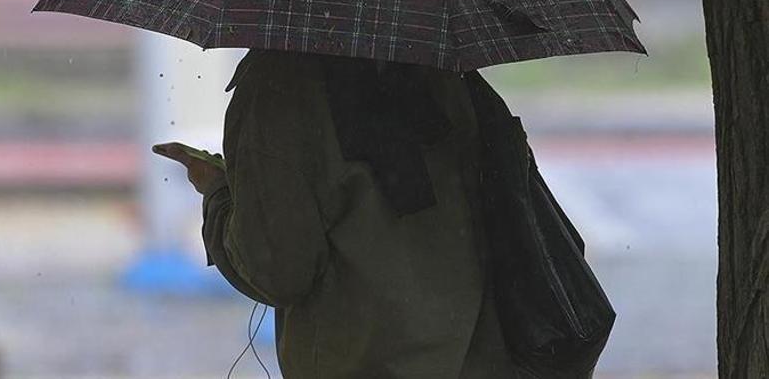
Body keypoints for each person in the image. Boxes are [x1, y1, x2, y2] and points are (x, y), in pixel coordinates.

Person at [157, 48, 519, 378]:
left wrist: (218, 192)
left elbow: (277, 271)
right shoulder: (441, 64)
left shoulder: (280, 83)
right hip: (474, 360)